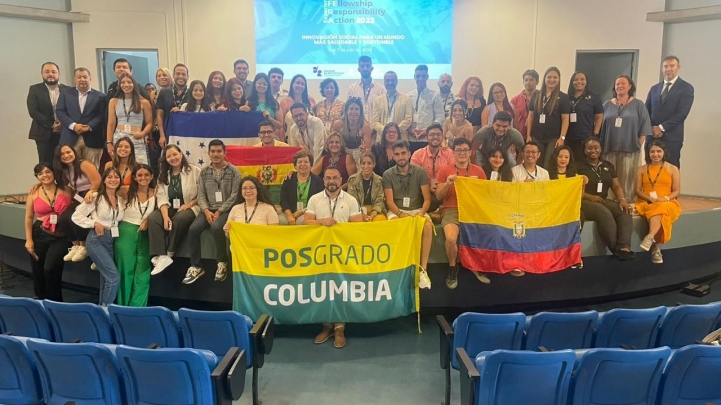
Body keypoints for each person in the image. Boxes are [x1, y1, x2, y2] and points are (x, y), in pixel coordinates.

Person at [306, 166, 363, 348]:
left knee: (340, 288)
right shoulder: (315, 199)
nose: (331, 181)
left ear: (341, 180)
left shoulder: (351, 200)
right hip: (320, 253)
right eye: (328, 178)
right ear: (323, 180)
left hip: (342, 253)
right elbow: (307, 223)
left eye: (335, 178)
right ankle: (326, 326)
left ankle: (339, 328)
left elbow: (358, 227)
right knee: (323, 288)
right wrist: (321, 222)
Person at [185, 140, 241, 284]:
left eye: (219, 151)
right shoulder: (204, 172)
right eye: (213, 151)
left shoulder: (234, 171)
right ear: (208, 153)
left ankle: (222, 262)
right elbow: (201, 195)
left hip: (226, 210)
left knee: (217, 228)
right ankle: (196, 266)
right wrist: (206, 210)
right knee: (193, 229)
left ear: (224, 153)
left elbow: (235, 196)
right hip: (208, 209)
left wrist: (220, 212)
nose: (216, 154)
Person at [436, 138, 487, 288]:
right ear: (453, 152)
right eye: (459, 150)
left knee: (485, 233)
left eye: (465, 150)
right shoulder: (445, 171)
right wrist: (447, 184)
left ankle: (476, 265)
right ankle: (453, 267)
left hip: (472, 210)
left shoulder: (479, 171)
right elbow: (439, 196)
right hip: (451, 210)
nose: (462, 153)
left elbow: (485, 195)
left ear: (470, 152)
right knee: (451, 238)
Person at [72, 167, 125, 306]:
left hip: (112, 240)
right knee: (113, 278)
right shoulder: (96, 197)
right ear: (104, 180)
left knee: (106, 278)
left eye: (116, 177)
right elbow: (76, 216)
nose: (113, 180)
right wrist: (93, 223)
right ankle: (107, 310)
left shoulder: (120, 199)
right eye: (110, 177)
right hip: (97, 239)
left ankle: (102, 309)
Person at [577, 137, 634, 261]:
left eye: (596, 147)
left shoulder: (608, 165)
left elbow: (616, 185)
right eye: (590, 148)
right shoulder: (578, 166)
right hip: (583, 201)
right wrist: (589, 196)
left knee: (625, 210)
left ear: (601, 149)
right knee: (603, 212)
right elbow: (573, 189)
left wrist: (622, 199)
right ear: (585, 150)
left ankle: (624, 246)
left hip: (602, 199)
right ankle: (615, 249)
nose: (593, 150)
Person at [382, 140, 433, 277]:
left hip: (417, 209)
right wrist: (400, 213)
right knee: (394, 225)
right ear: (393, 156)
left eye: (403, 153)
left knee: (427, 227)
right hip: (396, 210)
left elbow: (427, 199)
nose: (401, 157)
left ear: (409, 154)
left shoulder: (420, 172)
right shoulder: (387, 174)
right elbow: (389, 201)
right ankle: (398, 267)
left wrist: (421, 214)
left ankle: (423, 269)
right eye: (397, 154)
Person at [148, 145, 201, 275]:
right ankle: (160, 255)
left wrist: (189, 204)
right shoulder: (163, 174)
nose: (173, 158)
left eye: (175, 154)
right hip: (170, 207)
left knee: (179, 219)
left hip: (190, 206)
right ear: (165, 159)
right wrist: (165, 217)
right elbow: (162, 199)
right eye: (169, 156)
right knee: (153, 218)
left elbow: (203, 194)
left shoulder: (195, 170)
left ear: (181, 154)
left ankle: (169, 253)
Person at [599, 75, 652, 202]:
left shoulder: (638, 105)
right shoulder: (606, 105)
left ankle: (627, 203)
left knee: (628, 178)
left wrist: (638, 144)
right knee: (609, 178)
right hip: (609, 149)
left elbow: (645, 126)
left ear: (630, 86)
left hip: (630, 149)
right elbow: (599, 125)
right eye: (617, 84)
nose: (620, 86)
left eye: (623, 83)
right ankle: (611, 203)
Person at [24, 163, 72, 300]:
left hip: (62, 235)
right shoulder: (34, 193)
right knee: (38, 270)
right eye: (40, 174)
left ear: (53, 173)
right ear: (37, 177)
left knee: (51, 268)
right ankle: (40, 301)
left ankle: (56, 303)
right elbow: (28, 218)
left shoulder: (67, 190)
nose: (44, 175)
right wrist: (29, 240)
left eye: (47, 172)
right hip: (39, 232)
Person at [115, 164, 155, 306]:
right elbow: (104, 191)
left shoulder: (156, 192)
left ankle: (138, 308)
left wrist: (150, 220)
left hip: (145, 235)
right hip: (126, 232)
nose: (143, 178)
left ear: (151, 177)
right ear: (135, 178)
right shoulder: (125, 190)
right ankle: (122, 307)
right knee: (125, 271)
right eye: (140, 175)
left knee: (143, 273)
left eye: (146, 175)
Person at [635, 140, 681, 264]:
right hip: (646, 201)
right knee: (658, 209)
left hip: (667, 201)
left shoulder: (672, 168)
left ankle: (650, 238)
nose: (656, 154)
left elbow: (676, 191)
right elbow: (638, 191)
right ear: (648, 153)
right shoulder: (641, 169)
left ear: (664, 152)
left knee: (662, 207)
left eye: (659, 151)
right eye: (652, 151)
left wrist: (665, 198)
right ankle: (654, 247)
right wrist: (650, 199)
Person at [645, 56, 695, 168]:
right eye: (665, 66)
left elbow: (682, 114)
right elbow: (646, 111)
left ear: (678, 67)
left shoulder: (686, 88)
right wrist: (652, 127)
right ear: (662, 69)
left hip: (671, 137)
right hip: (652, 136)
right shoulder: (654, 88)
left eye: (672, 66)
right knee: (650, 170)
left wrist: (662, 127)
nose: (668, 69)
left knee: (671, 170)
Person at [54, 145, 101, 262]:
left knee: (75, 216)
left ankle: (84, 246)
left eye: (68, 152)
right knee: (64, 218)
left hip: (92, 193)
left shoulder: (84, 164)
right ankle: (76, 246)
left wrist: (91, 192)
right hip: (79, 195)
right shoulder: (65, 169)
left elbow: (97, 181)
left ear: (73, 151)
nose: (66, 156)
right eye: (62, 154)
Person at [55, 67, 107, 167]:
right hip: (70, 136)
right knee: (70, 168)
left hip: (93, 138)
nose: (82, 79)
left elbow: (102, 115)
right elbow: (60, 111)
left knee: (92, 168)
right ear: (75, 79)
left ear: (90, 78)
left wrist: (88, 126)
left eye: (85, 77)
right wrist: (73, 125)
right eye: (79, 77)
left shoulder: (101, 96)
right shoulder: (66, 93)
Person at [527, 67, 571, 168]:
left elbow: (565, 119)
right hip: (537, 137)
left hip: (553, 138)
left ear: (559, 79)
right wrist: (529, 135)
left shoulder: (563, 97)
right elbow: (530, 116)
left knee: (548, 165)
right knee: (535, 164)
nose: (552, 80)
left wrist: (562, 137)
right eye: (549, 77)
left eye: (555, 77)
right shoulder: (536, 95)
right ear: (544, 79)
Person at [106, 73, 153, 164]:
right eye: (123, 82)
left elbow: (149, 123)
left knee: (140, 166)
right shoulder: (113, 101)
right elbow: (111, 123)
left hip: (137, 137)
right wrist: (109, 143)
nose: (126, 85)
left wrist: (143, 133)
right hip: (119, 137)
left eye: (129, 82)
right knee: (120, 166)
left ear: (134, 84)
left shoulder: (144, 102)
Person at [27, 62, 67, 164]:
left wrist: (63, 123)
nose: (50, 74)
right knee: (46, 164)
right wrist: (52, 124)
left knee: (64, 165)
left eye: (54, 72)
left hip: (65, 133)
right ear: (42, 74)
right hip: (43, 133)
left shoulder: (68, 90)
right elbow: (33, 111)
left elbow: (72, 110)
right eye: (47, 71)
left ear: (59, 74)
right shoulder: (35, 89)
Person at [411, 123, 454, 212]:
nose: (435, 137)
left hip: (444, 190)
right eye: (432, 135)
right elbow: (414, 178)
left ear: (442, 138)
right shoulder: (418, 154)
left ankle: (440, 212)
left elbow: (453, 173)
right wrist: (429, 188)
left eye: (438, 135)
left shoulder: (449, 153)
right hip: (424, 191)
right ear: (426, 138)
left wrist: (441, 188)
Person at [565, 72, 604, 162]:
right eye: (576, 79)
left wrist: (594, 135)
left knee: (582, 164)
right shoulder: (567, 97)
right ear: (572, 82)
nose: (579, 82)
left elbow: (599, 117)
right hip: (568, 138)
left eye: (582, 79)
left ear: (586, 82)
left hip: (585, 138)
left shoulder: (594, 97)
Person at [279, 149, 324, 225]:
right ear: (295, 166)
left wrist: (302, 211)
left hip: (308, 211)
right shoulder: (288, 178)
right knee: (281, 221)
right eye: (299, 162)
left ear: (311, 165)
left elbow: (319, 202)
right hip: (289, 211)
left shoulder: (317, 181)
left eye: (306, 162)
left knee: (301, 221)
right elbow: (283, 199)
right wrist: (289, 215)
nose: (303, 164)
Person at [407, 65, 445, 153]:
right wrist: (409, 130)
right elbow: (406, 116)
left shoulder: (435, 96)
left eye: (423, 76)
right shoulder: (408, 96)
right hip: (411, 138)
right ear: (414, 77)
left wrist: (427, 131)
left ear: (427, 77)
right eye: (418, 76)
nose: (420, 79)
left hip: (427, 139)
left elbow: (440, 117)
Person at [371, 71, 412, 140]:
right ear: (384, 82)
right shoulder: (377, 100)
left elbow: (408, 119)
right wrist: (386, 132)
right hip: (382, 139)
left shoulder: (406, 99)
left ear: (396, 81)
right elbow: (375, 121)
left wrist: (395, 132)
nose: (390, 83)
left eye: (392, 80)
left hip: (400, 138)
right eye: (387, 80)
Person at [331, 97, 372, 167]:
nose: (354, 112)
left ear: (360, 112)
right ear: (346, 111)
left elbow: (368, 149)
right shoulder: (338, 124)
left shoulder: (366, 127)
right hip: (342, 154)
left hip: (359, 155)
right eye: (351, 108)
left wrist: (364, 150)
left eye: (357, 109)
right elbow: (331, 142)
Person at [156, 64, 190, 148]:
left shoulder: (192, 93)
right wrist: (162, 135)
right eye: (178, 74)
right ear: (173, 75)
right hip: (168, 133)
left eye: (183, 74)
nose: (180, 76)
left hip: (187, 133)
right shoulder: (164, 92)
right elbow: (159, 115)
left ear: (188, 77)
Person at [347, 152, 387, 222]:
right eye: (363, 163)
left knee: (380, 219)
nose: (366, 166)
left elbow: (380, 199)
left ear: (374, 164)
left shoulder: (379, 180)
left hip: (375, 211)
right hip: (358, 211)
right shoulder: (352, 180)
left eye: (369, 163)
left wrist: (373, 214)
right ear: (360, 164)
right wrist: (362, 214)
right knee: (357, 220)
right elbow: (352, 199)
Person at [347, 55, 385, 124]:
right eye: (362, 66)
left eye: (367, 66)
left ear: (372, 68)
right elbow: (350, 111)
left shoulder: (380, 89)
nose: (365, 68)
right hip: (358, 129)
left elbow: (382, 112)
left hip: (376, 130)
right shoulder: (352, 88)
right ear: (359, 69)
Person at [510, 69, 539, 136]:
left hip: (537, 136)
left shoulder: (542, 99)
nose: (528, 82)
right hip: (519, 135)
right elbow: (510, 120)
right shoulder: (515, 100)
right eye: (526, 80)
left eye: (531, 80)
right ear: (523, 82)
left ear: (537, 82)